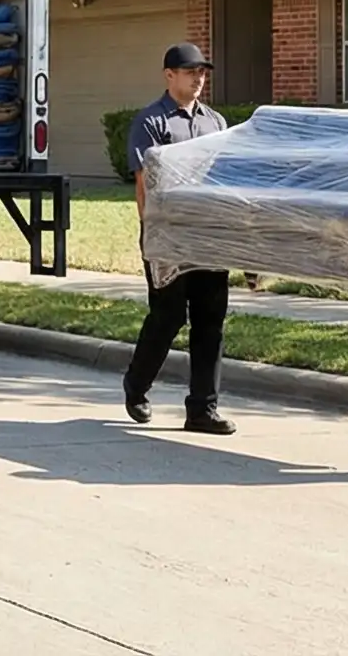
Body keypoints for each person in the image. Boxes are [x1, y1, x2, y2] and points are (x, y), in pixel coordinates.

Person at [121, 41, 236, 435]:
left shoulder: (216, 123)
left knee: (211, 321)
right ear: (170, 75)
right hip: (167, 237)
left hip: (207, 236)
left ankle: (202, 410)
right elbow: (144, 184)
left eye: (203, 72)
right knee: (168, 317)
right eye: (191, 72)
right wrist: (154, 237)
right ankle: (136, 387)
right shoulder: (151, 122)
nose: (199, 78)